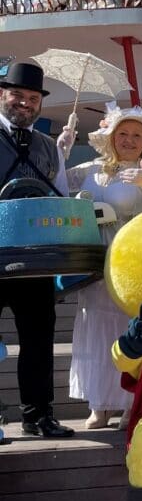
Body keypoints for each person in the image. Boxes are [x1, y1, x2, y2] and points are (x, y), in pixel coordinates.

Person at [67, 103, 142, 429]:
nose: (129, 139)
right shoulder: (87, 170)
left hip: (134, 263)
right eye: (122, 133)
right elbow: (56, 184)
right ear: (109, 138)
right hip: (97, 262)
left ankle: (131, 402)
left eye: (136, 135)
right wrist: (60, 149)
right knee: (97, 327)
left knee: (131, 329)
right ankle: (100, 404)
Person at [0, 60, 73, 437]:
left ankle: (38, 415)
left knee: (39, 340)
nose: (25, 104)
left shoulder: (50, 147)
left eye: (32, 98)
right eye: (17, 95)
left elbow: (59, 199)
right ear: (2, 95)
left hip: (34, 259)